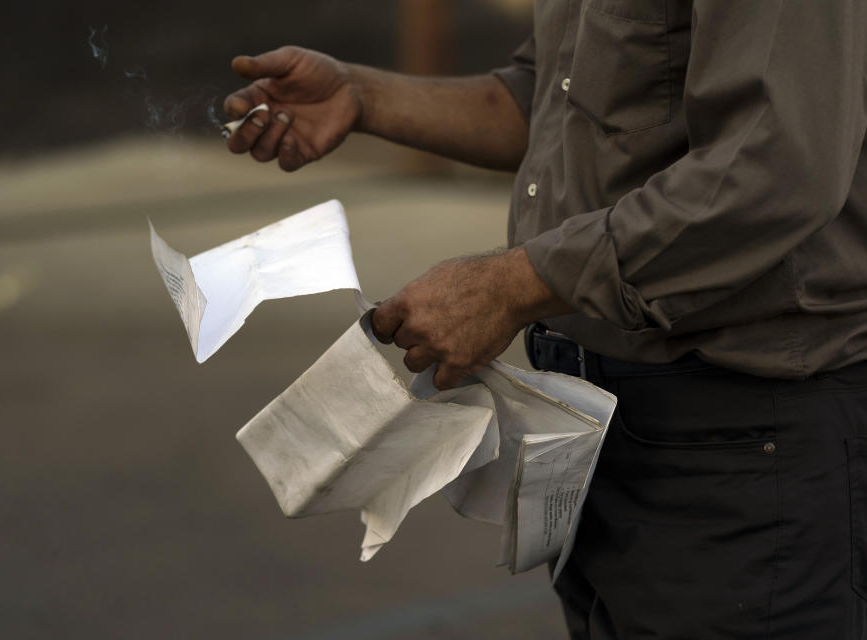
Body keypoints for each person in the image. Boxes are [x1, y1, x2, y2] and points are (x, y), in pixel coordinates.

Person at [223, 2, 867, 637]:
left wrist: (513, 285)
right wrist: (361, 96)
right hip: (597, 415)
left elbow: (775, 168)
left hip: (744, 428)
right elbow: (561, 106)